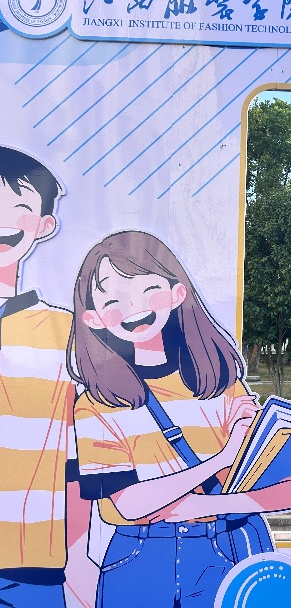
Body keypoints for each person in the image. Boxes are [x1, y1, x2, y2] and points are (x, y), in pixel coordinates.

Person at [68, 230, 291, 608]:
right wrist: (221, 460)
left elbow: (289, 490)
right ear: (93, 319)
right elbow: (128, 504)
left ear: (177, 293)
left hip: (227, 548)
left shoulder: (223, 387)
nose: (133, 308)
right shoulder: (97, 404)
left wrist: (204, 507)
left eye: (148, 290)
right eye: (114, 301)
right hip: (139, 557)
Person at [0, 146, 95, 607]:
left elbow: (77, 462)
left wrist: (74, 557)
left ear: (44, 225)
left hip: (30, 568)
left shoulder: (64, 334)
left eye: (20, 206)